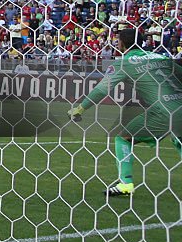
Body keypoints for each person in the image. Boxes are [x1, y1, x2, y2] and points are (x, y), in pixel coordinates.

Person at [69, 27, 182, 197]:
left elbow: (101, 89)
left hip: (163, 111)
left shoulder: (124, 62)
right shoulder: (161, 56)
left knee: (123, 138)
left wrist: (79, 109)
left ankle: (126, 183)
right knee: (178, 139)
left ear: (121, 43)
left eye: (118, 40)